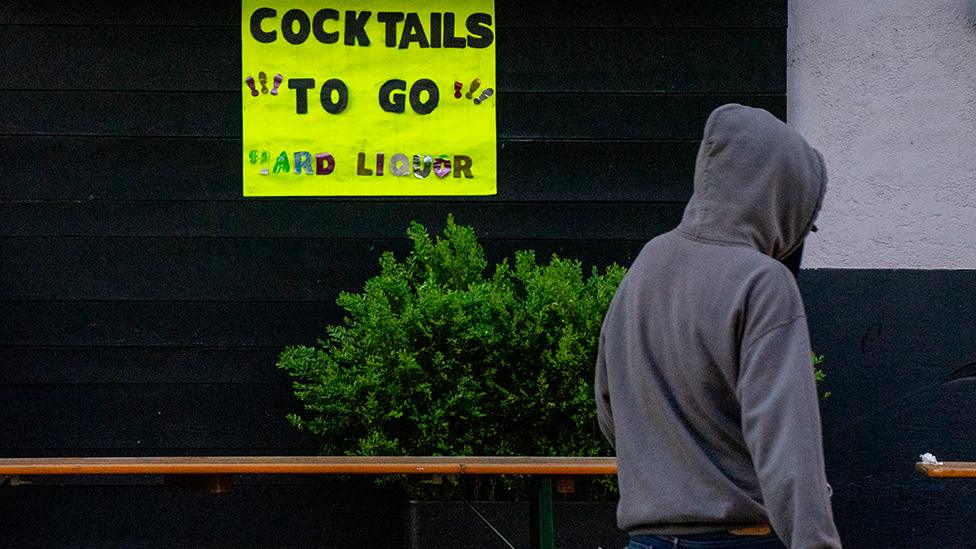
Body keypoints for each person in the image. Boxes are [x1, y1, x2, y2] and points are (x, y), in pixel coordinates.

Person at [595, 104, 842, 549]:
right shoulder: (763, 282)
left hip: (646, 540)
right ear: (782, 198)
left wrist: (672, 471)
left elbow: (610, 408)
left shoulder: (647, 264)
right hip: (738, 538)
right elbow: (789, 447)